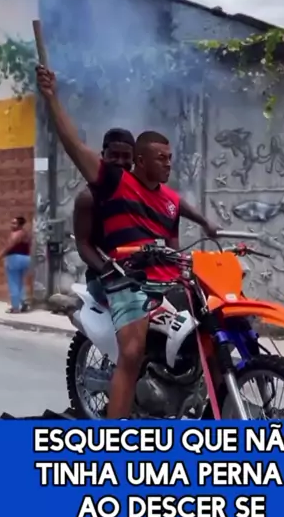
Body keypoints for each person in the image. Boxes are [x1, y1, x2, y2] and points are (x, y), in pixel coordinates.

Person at [36, 65, 218, 419]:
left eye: (170, 158)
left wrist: (205, 228)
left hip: (151, 277)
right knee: (132, 352)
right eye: (161, 158)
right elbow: (73, 147)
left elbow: (176, 214)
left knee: (203, 314)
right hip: (116, 277)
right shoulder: (100, 190)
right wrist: (52, 97)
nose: (168, 163)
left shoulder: (163, 197)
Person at [74, 127, 135, 306]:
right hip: (103, 279)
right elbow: (83, 243)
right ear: (103, 156)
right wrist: (106, 270)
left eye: (126, 156)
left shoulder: (140, 192)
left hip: (139, 275)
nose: (120, 162)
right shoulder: (88, 197)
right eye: (114, 155)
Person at [0, 216, 32, 313]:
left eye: (14, 223)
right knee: (21, 282)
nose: (11, 225)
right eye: (12, 223)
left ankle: (15, 307)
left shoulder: (16, 234)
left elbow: (9, 246)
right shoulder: (26, 234)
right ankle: (24, 303)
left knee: (13, 283)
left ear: (20, 225)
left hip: (14, 258)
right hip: (26, 258)